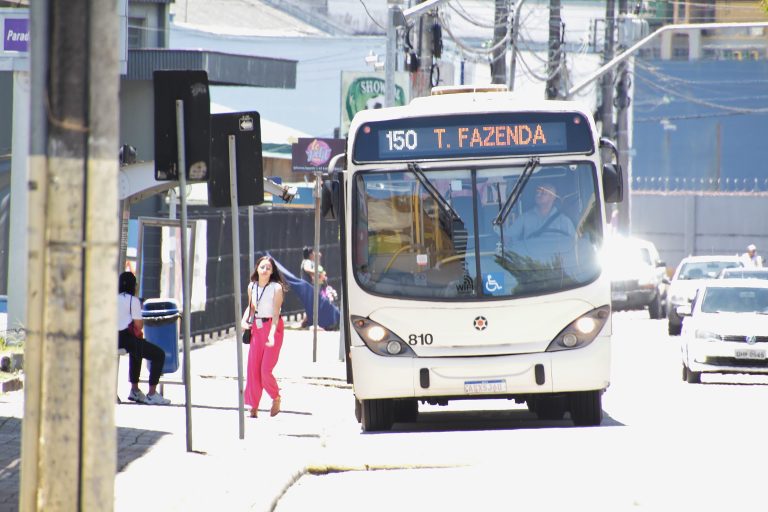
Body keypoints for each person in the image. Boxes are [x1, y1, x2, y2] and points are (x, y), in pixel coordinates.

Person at [241, 256, 287, 418]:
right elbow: (251, 308)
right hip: (257, 329)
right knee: (253, 369)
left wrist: (272, 335)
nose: (265, 270)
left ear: (272, 271)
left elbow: (276, 314)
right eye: (262, 267)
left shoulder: (276, 288)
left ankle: (276, 397)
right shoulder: (251, 286)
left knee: (265, 370)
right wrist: (243, 321)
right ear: (257, 269)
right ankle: (253, 406)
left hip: (272, 328)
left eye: (268, 267)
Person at [117, 271, 171, 405]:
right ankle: (152, 393)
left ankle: (135, 390)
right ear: (132, 286)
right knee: (158, 355)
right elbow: (139, 325)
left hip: (112, 340)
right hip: (126, 338)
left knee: (137, 350)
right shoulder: (133, 301)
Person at [508, 181, 575, 241]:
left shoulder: (564, 221)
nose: (538, 195)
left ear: (552, 197)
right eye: (537, 192)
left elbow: (575, 243)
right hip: (529, 255)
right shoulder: (524, 218)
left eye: (543, 193)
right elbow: (507, 237)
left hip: (557, 255)